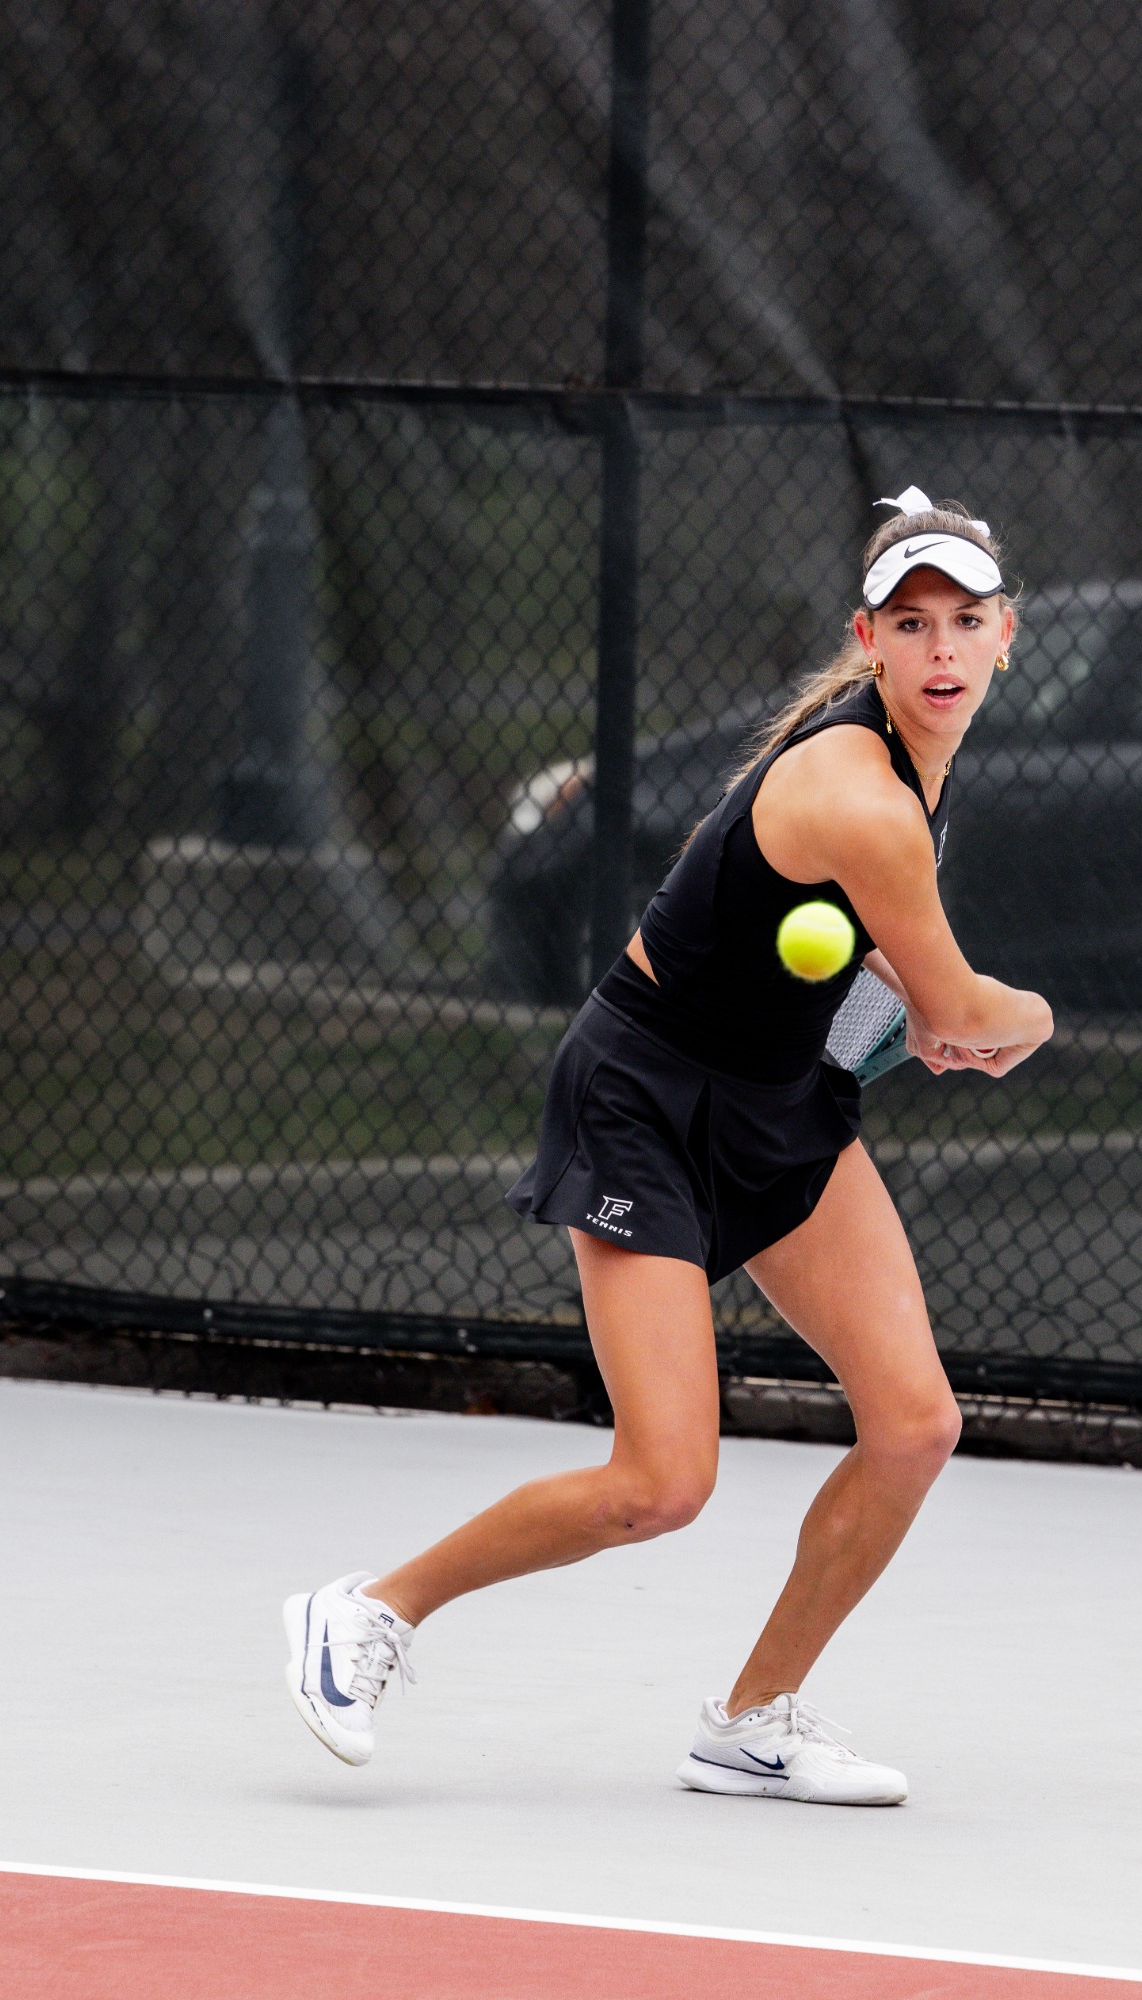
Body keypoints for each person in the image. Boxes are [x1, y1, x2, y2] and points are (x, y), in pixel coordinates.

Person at [282, 486, 1054, 1806]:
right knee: (658, 1482)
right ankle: (371, 1610)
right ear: (864, 639)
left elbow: (863, 965)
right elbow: (969, 1009)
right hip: (641, 1094)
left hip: (776, 1097)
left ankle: (752, 1719)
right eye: (910, 622)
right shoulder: (855, 789)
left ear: (1004, 638)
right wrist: (1019, 1018)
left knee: (916, 1424)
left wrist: (899, 1000)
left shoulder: (918, 769)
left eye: (963, 623)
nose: (938, 650)